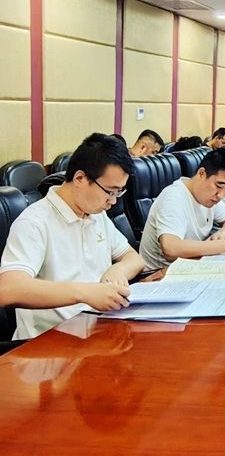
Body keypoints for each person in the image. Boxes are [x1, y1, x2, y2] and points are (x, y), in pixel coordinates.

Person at [0, 133, 146, 338]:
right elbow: (8, 289)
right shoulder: (34, 222)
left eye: (119, 192)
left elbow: (133, 258)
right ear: (80, 178)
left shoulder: (96, 215)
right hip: (50, 343)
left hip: (98, 331)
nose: (113, 201)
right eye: (110, 191)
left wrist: (117, 271)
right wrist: (85, 293)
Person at [138, 147, 225, 271]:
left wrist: (224, 233)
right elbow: (171, 248)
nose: (221, 195)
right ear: (201, 173)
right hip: (160, 274)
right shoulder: (174, 197)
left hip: (193, 265)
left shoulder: (209, 196)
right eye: (219, 186)